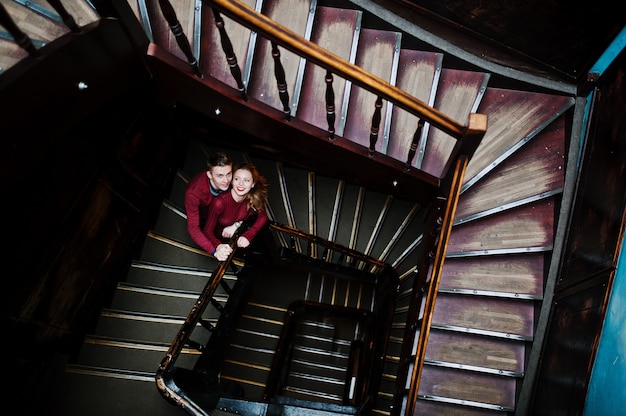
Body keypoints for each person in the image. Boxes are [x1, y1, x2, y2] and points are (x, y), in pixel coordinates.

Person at [203, 162, 269, 261]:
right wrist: (218, 246)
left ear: (253, 184)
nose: (241, 184)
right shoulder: (219, 203)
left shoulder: (251, 197)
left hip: (235, 239)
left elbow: (263, 217)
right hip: (216, 239)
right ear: (232, 181)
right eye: (237, 179)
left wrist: (245, 232)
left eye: (246, 180)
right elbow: (207, 231)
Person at [184, 151, 232, 256]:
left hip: (220, 210)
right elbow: (193, 228)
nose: (226, 180)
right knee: (205, 229)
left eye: (228, 174)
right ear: (209, 175)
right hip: (204, 214)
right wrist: (214, 250)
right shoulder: (193, 193)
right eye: (220, 176)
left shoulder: (232, 180)